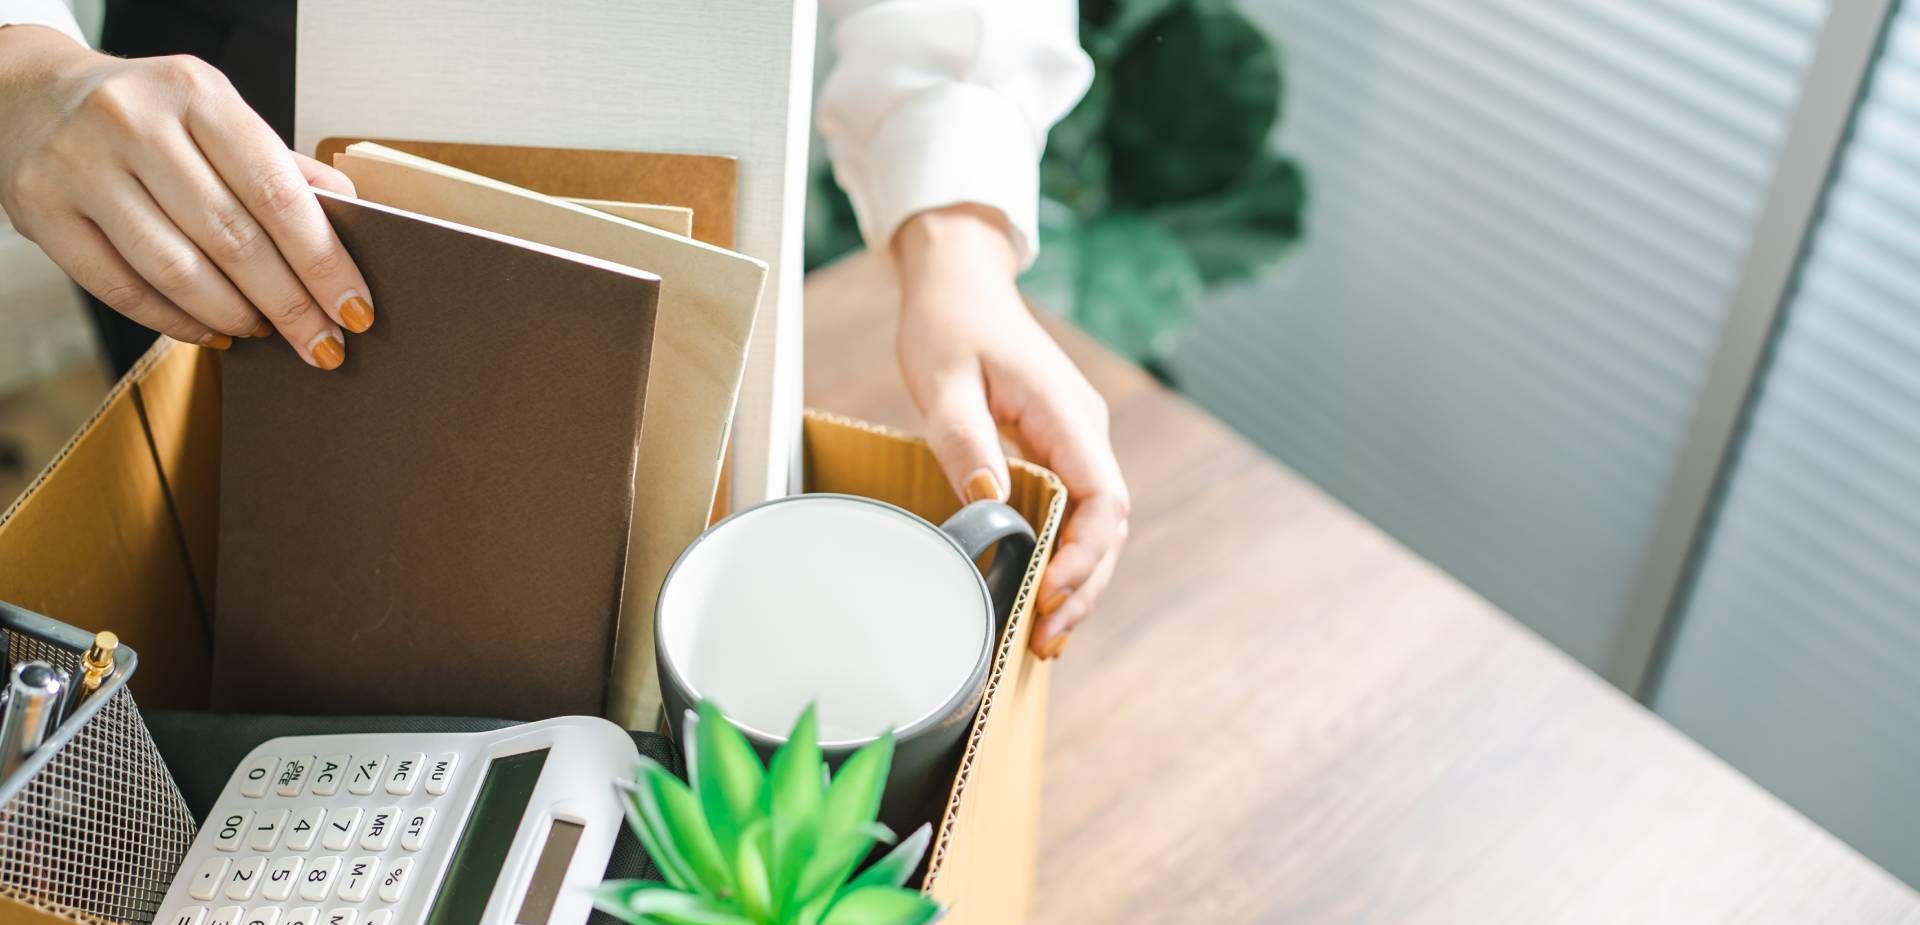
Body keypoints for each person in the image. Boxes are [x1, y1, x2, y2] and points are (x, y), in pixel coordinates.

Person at [0, 0, 1126, 658]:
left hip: (700, 88)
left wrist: (957, 239)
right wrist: (23, 71)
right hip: (232, 139)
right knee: (267, 562)